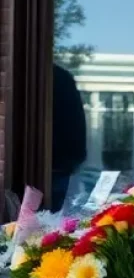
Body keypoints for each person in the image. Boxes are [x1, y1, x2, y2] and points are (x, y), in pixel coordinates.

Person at [51, 64, 87, 209]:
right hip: (62, 165)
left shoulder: (53, 76)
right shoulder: (60, 76)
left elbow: (74, 121)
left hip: (57, 166)